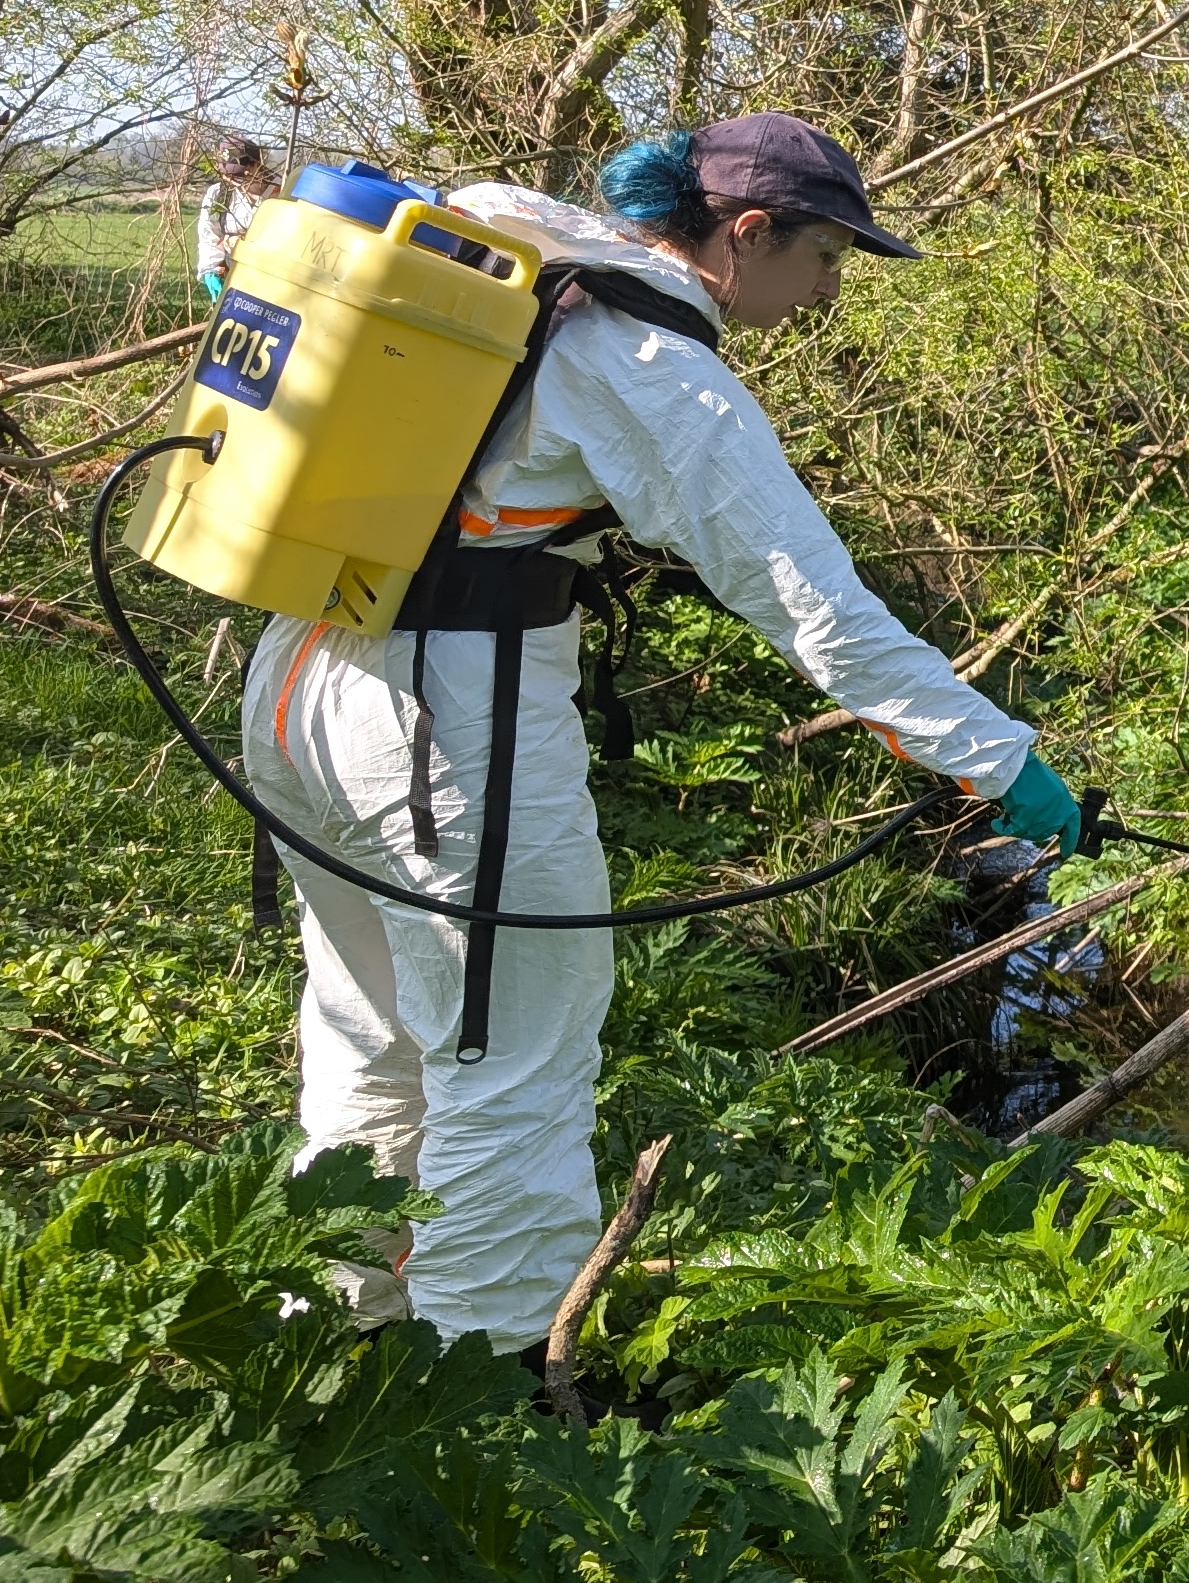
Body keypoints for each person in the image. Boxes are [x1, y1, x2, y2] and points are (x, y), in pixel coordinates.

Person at [237, 113, 1082, 1348]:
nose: (831, 291)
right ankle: (485, 1387)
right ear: (745, 235)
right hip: (444, 723)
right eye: (826, 258)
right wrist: (997, 759)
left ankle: (331, 1329)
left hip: (299, 680)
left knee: (371, 1038)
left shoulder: (530, 263)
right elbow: (820, 614)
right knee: (512, 1063)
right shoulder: (650, 360)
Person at [193, 135, 275, 298]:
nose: (232, 180)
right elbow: (210, 237)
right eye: (228, 174)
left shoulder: (281, 194)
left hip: (273, 283)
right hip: (234, 283)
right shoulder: (219, 194)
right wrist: (211, 270)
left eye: (238, 174)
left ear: (256, 165)